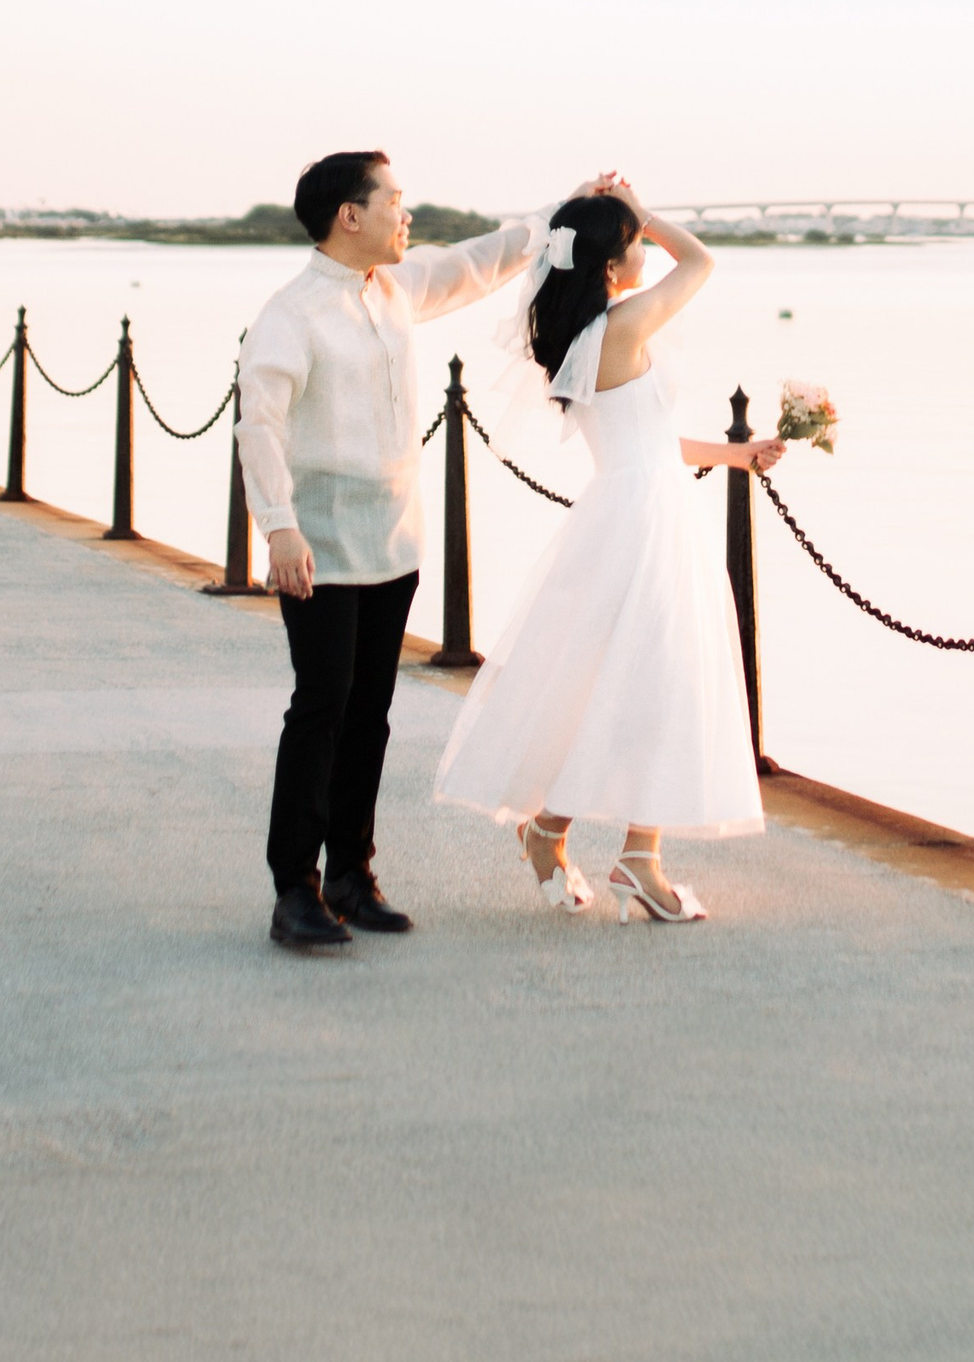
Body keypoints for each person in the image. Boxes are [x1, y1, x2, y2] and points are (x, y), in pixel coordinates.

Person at [433, 175, 779, 923]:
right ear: (610, 266)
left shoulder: (578, 338)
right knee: (659, 682)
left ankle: (559, 829)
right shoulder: (620, 326)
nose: (643, 251)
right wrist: (647, 211)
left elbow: (648, 439)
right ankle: (634, 858)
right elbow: (702, 265)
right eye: (631, 244)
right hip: (647, 522)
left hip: (627, 509)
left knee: (624, 680)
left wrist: (737, 455)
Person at [237, 151, 540, 953]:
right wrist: (279, 527)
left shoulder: (396, 290)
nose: (408, 215)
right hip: (321, 545)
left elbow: (475, 264)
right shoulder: (291, 314)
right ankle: (293, 889)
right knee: (321, 708)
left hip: (393, 540)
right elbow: (258, 424)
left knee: (369, 715)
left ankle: (351, 874)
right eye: (395, 201)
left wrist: (560, 216)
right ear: (350, 214)